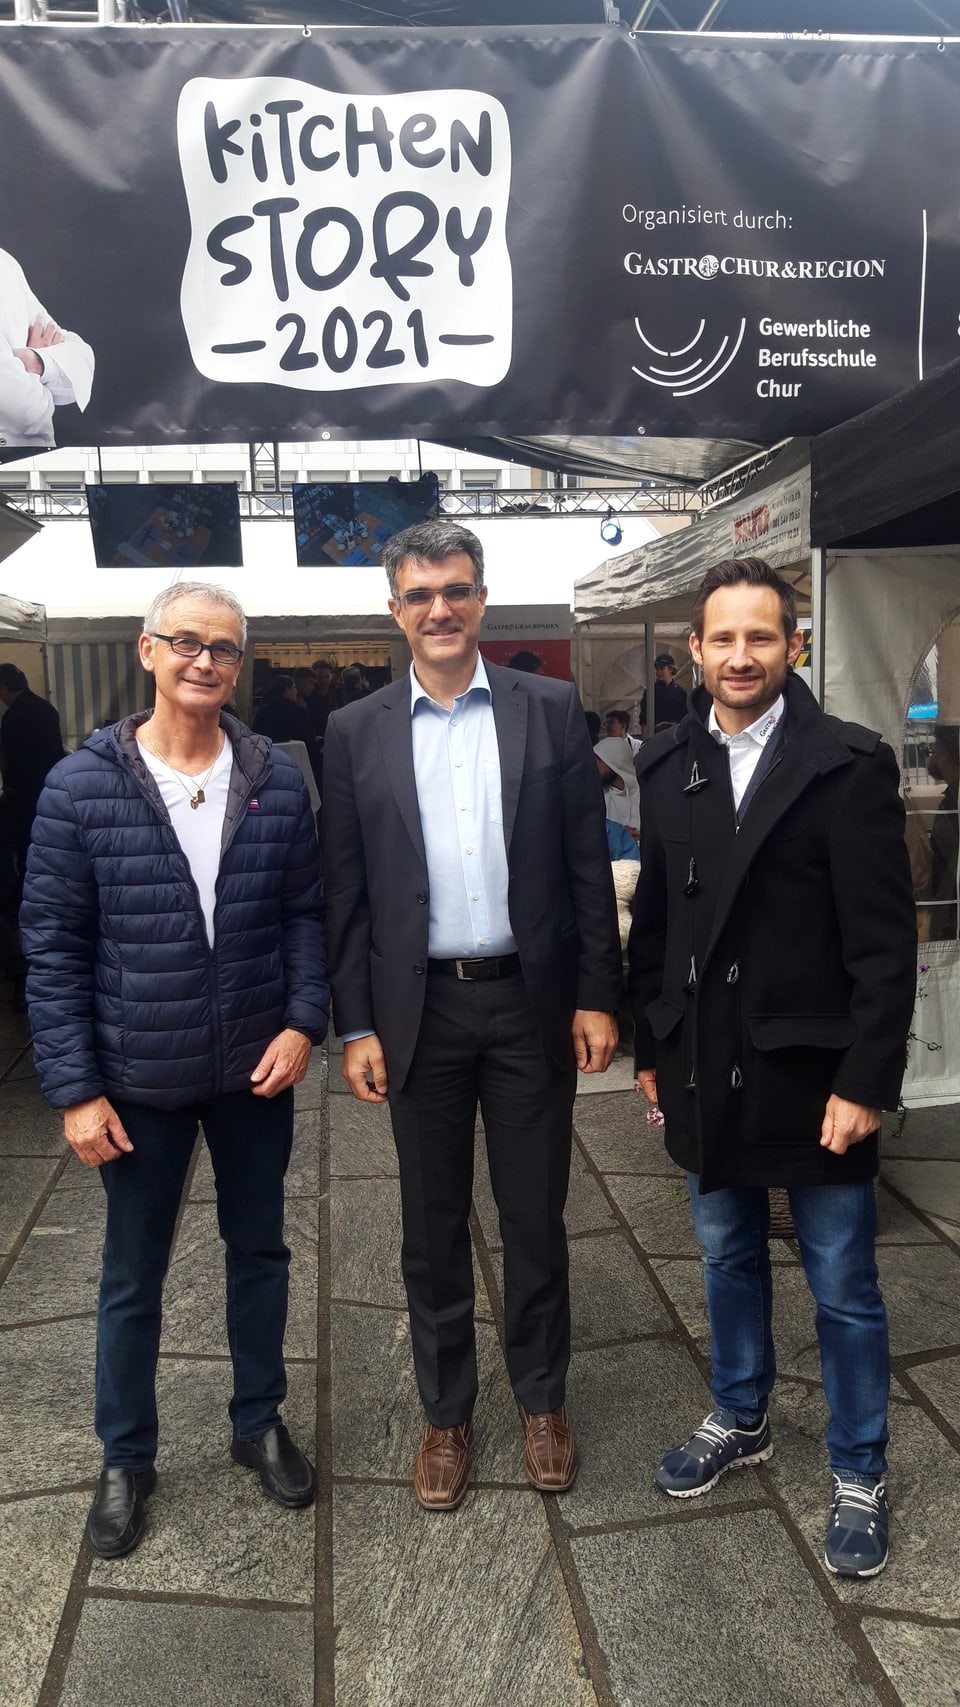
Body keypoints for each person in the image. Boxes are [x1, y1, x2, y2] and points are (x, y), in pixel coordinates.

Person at [21, 581, 328, 1560]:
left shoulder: (276, 779)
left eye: (226, 649)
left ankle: (257, 1421)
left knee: (261, 1252)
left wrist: (303, 1021)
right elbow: (53, 943)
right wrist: (72, 1089)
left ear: (242, 665)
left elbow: (303, 916)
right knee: (131, 1275)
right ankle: (125, 1456)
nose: (206, 661)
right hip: (135, 1075)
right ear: (146, 650)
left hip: (252, 1071)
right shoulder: (81, 786)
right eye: (187, 643)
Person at [322, 519, 622, 1511]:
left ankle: (542, 1399)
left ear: (482, 600)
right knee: (429, 1224)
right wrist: (356, 1024)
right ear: (395, 611)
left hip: (530, 1006)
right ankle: (446, 1414)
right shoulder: (356, 730)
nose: (439, 609)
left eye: (456, 589)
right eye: (419, 594)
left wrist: (595, 994)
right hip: (420, 1019)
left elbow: (588, 866)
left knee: (535, 1217)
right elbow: (348, 892)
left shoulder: (550, 709)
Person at [629, 556, 916, 1580]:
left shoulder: (847, 763)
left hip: (816, 1071)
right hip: (706, 1062)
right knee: (725, 1256)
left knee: (842, 1281)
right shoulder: (671, 767)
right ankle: (741, 1414)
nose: (742, 655)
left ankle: (859, 1467)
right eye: (724, 638)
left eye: (763, 636)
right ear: (695, 650)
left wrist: (867, 1081)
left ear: (793, 644)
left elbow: (885, 946)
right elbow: (656, 925)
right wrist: (651, 1050)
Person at [0, 246, 95, 448]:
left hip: (29, 461)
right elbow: (15, 409)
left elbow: (79, 363)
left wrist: (37, 361)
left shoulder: (5, 264)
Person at [0, 662, 65, 884]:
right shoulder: (47, 709)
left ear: (4, 688)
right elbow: (57, 751)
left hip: (24, 795)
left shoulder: (11, 718)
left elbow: (13, 760)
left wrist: (9, 788)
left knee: (26, 844)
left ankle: (26, 890)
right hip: (51, 789)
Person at [925, 724, 959, 940]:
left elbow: (949, 868)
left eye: (936, 753)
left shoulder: (953, 803)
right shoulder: (950, 798)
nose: (934, 761)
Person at [593, 735, 641, 835]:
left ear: (614, 762)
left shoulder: (646, 795)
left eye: (599, 760)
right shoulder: (597, 796)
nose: (594, 767)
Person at [253, 674, 311, 744]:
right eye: (294, 687)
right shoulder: (298, 712)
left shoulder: (264, 711)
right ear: (287, 689)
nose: (296, 691)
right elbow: (307, 736)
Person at [639, 654, 687, 737]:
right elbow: (644, 719)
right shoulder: (650, 692)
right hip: (655, 736)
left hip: (675, 736)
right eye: (657, 669)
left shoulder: (680, 692)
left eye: (662, 668)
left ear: (671, 669)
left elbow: (685, 718)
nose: (658, 672)